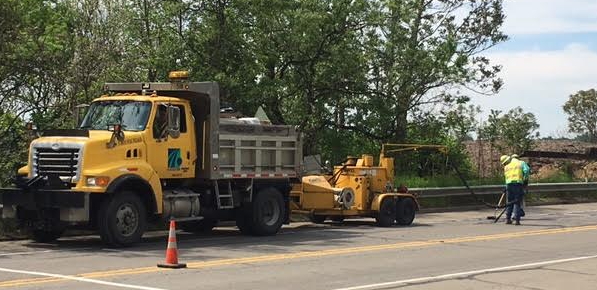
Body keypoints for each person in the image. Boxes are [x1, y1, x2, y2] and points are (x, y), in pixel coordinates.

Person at [500, 154, 527, 225]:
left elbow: (507, 177)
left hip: (509, 185)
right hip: (517, 184)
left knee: (509, 202)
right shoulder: (521, 163)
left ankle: (507, 219)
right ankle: (516, 220)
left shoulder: (507, 166)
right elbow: (526, 171)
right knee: (517, 202)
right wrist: (525, 180)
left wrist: (506, 186)